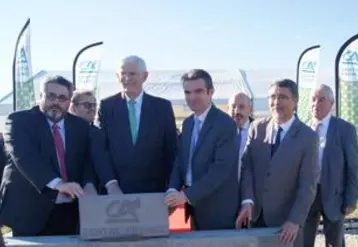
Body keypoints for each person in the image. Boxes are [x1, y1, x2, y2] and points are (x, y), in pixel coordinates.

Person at [0, 76, 119, 236]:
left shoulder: (81, 127)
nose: (56, 102)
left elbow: (86, 160)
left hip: (68, 208)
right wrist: (58, 184)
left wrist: (88, 183)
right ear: (41, 96)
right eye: (50, 96)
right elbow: (24, 158)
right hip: (28, 208)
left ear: (69, 102)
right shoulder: (18, 121)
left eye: (62, 98)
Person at [236, 79, 319, 247]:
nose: (276, 102)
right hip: (256, 217)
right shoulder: (257, 128)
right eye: (272, 97)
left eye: (282, 97)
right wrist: (247, 202)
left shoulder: (308, 137)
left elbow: (308, 184)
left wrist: (295, 220)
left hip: (287, 224)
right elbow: (247, 168)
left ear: (295, 102)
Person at [165, 69, 239, 230]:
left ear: (211, 92)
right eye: (187, 92)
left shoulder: (225, 124)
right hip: (193, 208)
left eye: (198, 91)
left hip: (218, 208)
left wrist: (186, 196)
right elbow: (181, 160)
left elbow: (221, 169)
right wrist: (172, 188)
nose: (192, 97)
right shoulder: (188, 123)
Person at [96, 55, 177, 193]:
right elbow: (100, 150)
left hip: (154, 192)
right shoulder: (106, 107)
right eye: (123, 74)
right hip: (116, 193)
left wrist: (171, 187)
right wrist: (111, 184)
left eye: (132, 73)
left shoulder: (162, 107)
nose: (127, 78)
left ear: (144, 76)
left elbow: (172, 150)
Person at [303, 84, 358, 247]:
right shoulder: (302, 129)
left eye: (322, 99)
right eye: (313, 99)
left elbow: (353, 167)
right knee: (303, 241)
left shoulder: (344, 129)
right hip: (307, 196)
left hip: (334, 196)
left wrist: (350, 199)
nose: (316, 103)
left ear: (331, 103)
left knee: (335, 243)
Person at [228, 92, 254, 182]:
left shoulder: (260, 132)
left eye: (241, 107)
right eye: (233, 106)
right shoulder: (220, 131)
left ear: (250, 109)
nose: (237, 111)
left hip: (249, 189)